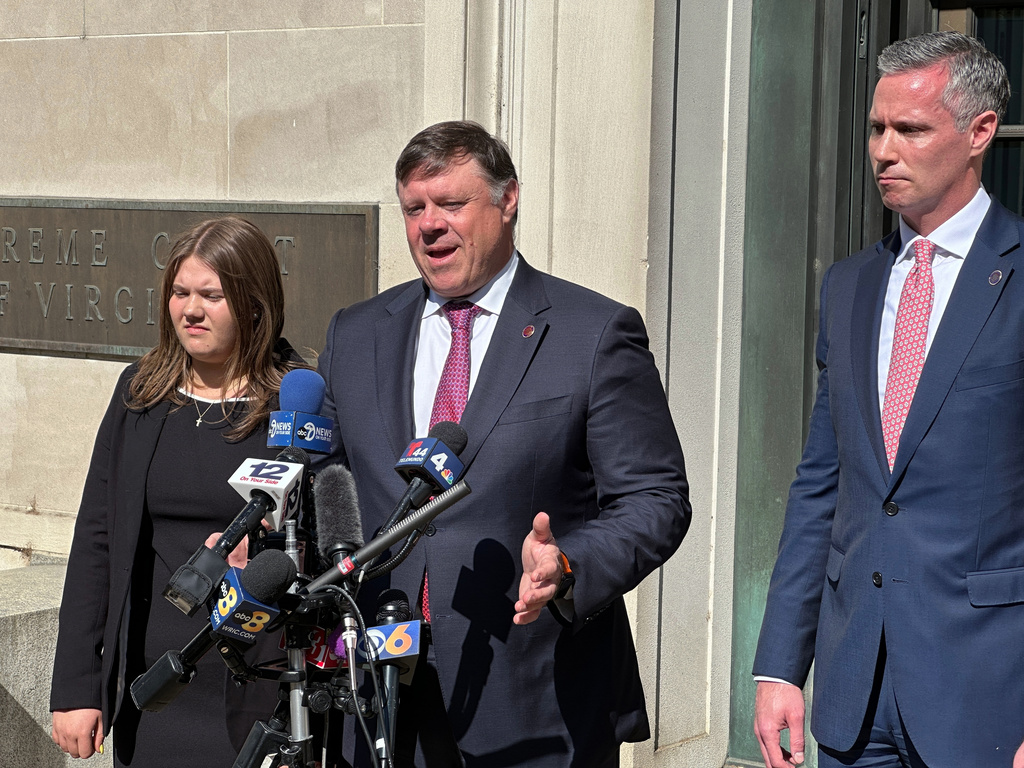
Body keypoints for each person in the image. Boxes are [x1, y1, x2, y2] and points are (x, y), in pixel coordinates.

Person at [316, 120, 691, 767]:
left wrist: (568, 564)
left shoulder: (594, 333)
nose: (430, 225)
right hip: (376, 694)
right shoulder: (355, 333)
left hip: (534, 700)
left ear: (508, 199)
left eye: (451, 203)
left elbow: (656, 498)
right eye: (414, 208)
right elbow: (326, 477)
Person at [752, 31, 1022, 768]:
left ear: (980, 132)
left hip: (989, 697)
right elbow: (821, 485)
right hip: (854, 693)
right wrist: (779, 665)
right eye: (877, 128)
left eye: (911, 129)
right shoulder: (850, 285)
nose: (883, 150)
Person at [49, 217, 308, 766]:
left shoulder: (297, 402)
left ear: (254, 304)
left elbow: (330, 538)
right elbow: (97, 538)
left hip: (257, 687)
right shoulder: (140, 392)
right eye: (179, 292)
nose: (190, 309)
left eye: (211, 296)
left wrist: (269, 550)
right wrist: (77, 685)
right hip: (154, 688)